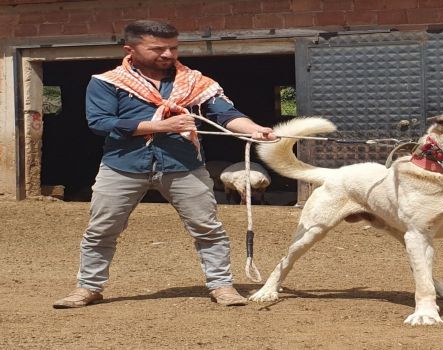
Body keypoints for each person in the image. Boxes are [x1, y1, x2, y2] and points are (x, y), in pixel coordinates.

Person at [53, 20, 276, 309]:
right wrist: (161, 126)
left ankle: (222, 285)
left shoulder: (196, 82)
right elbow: (100, 123)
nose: (168, 54)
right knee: (101, 229)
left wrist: (254, 129)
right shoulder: (107, 82)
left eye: (173, 47)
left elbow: (225, 114)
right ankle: (88, 287)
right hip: (122, 166)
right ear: (130, 49)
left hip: (183, 165)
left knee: (208, 228)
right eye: (157, 48)